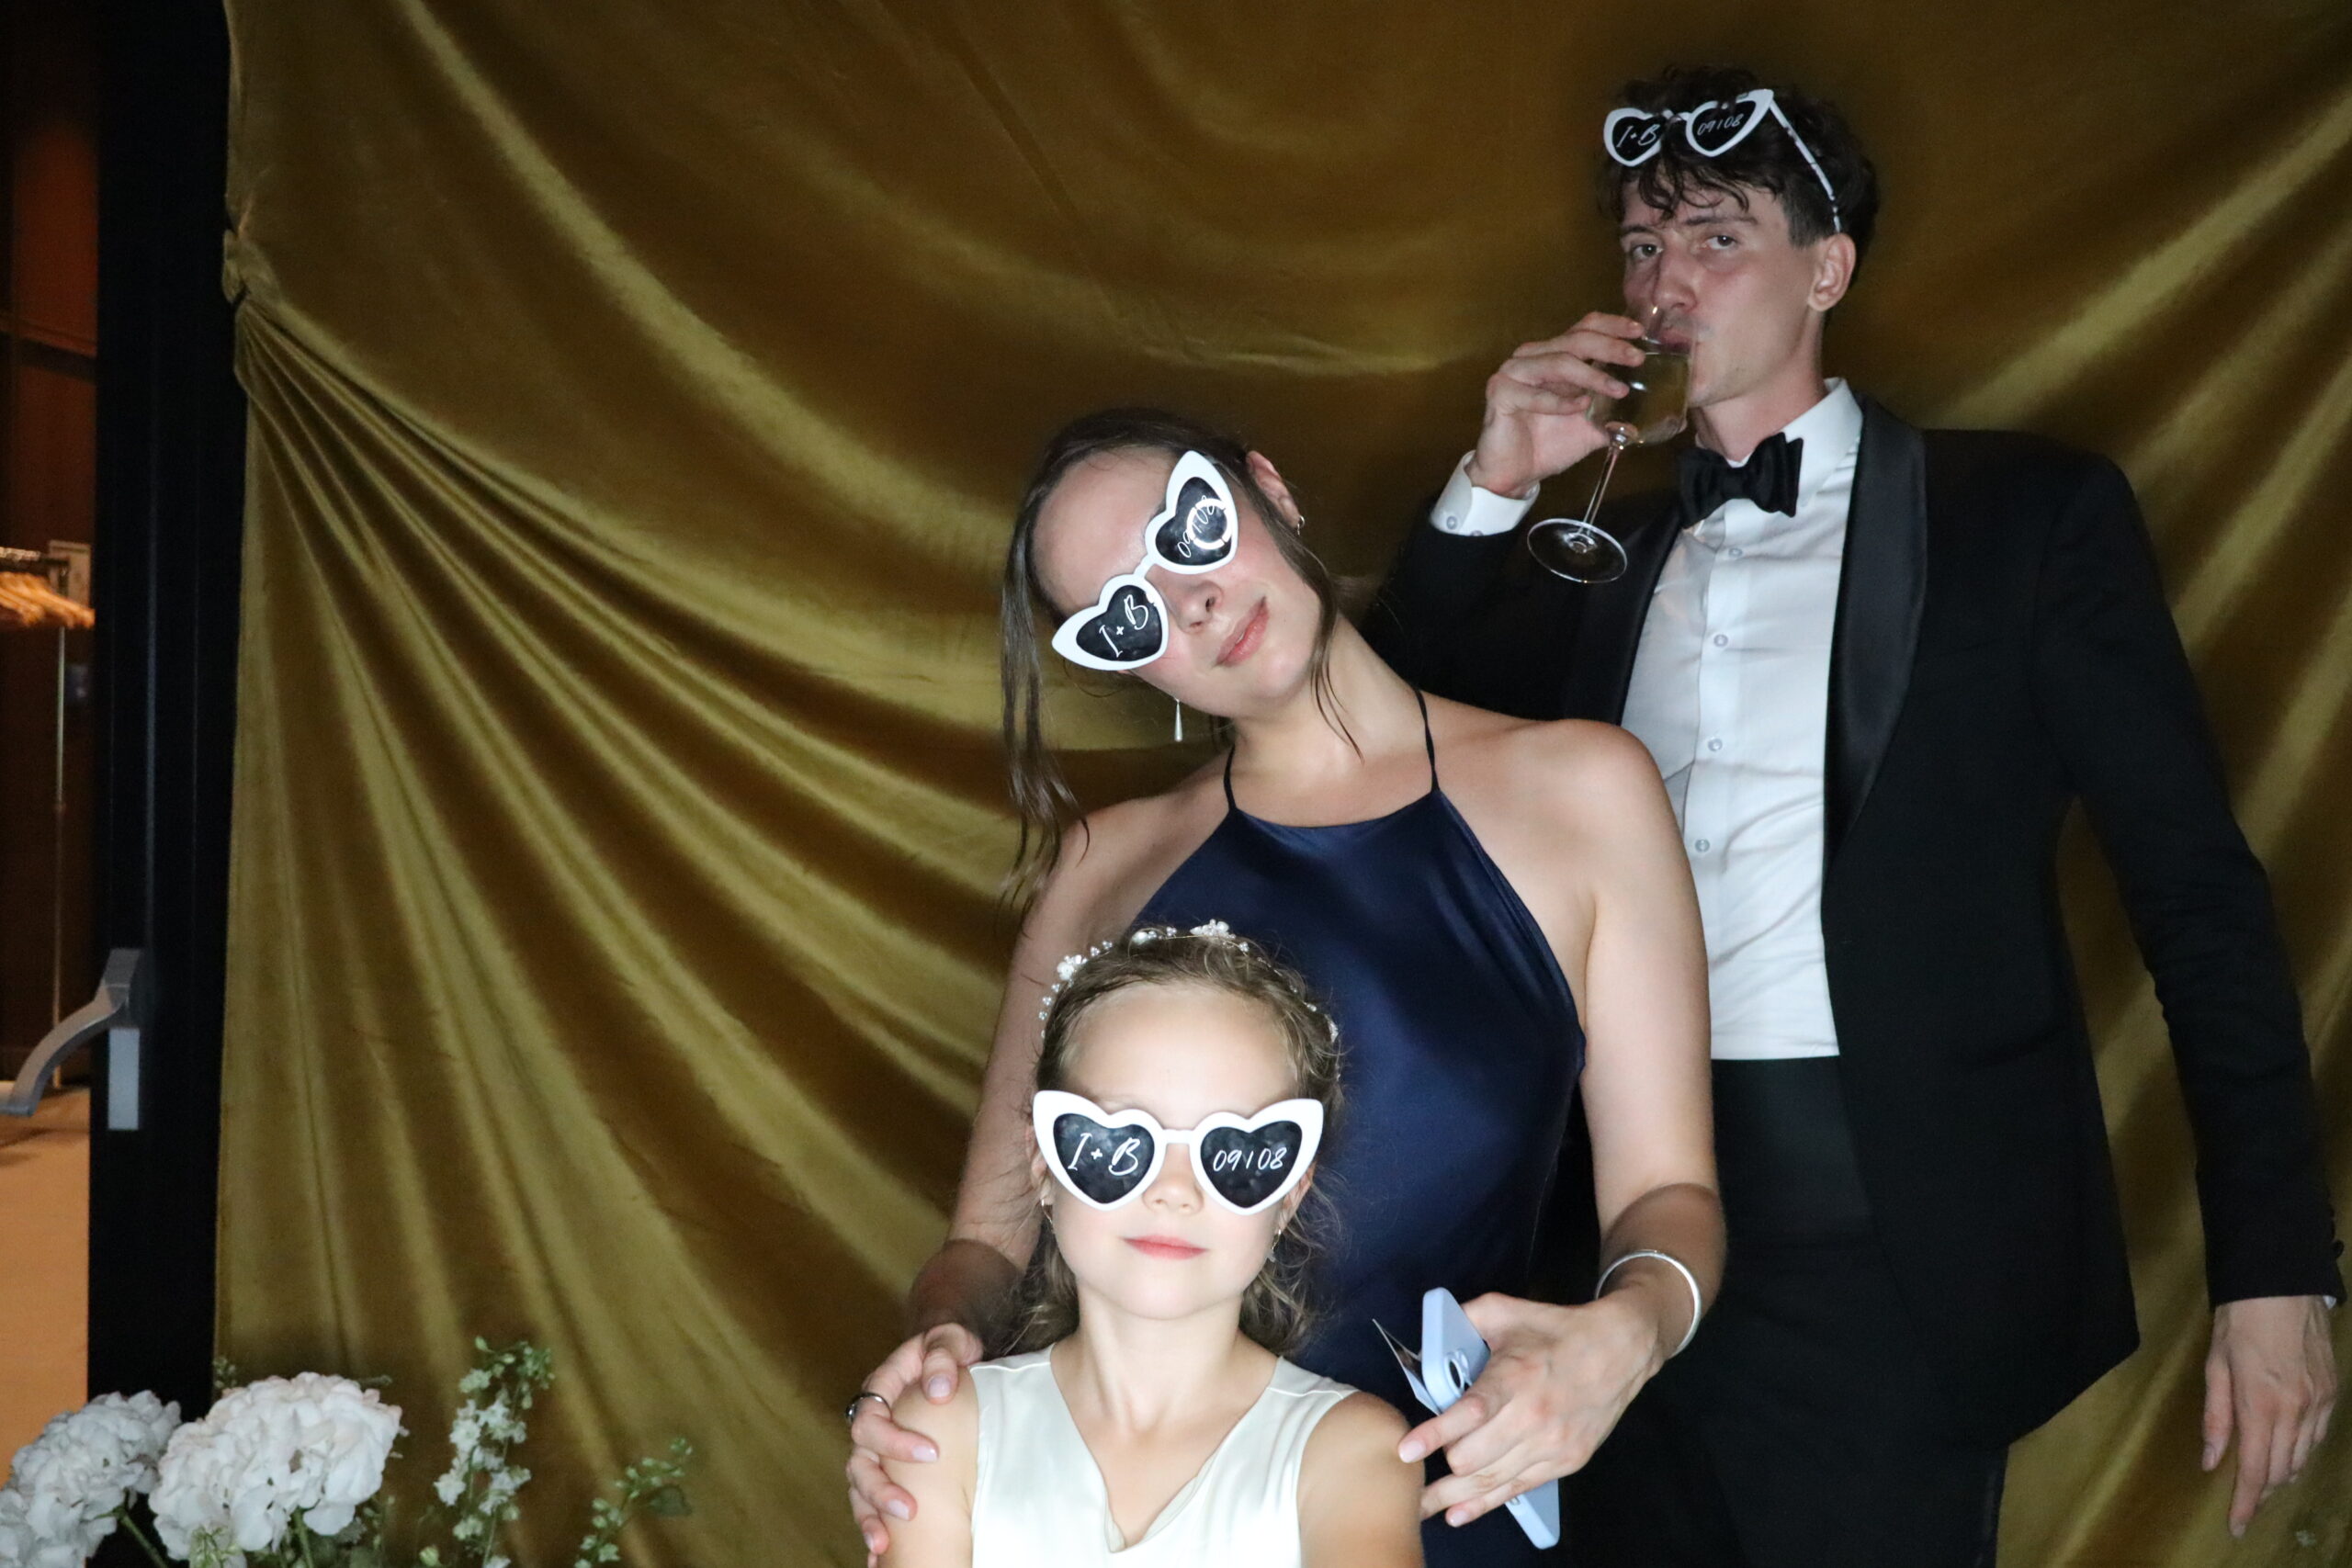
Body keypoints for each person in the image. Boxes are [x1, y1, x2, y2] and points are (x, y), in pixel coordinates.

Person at [1367, 62, 2342, 1568]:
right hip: (1591, 1224)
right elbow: (1367, 751)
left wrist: (2276, 1266)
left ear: (1827, 270)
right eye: (1642, 245)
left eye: (1717, 238)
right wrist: (1490, 485)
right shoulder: (1594, 560)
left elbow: (2198, 895)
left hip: (1897, 1238)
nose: (1666, 282)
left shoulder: (2027, 520)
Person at [847, 408, 1721, 1567]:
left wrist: (1631, 1330)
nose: (1191, 602)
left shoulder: (1581, 790)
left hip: (1454, 1492)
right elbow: (987, 1244)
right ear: (1125, 663)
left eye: (1192, 530)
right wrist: (937, 1352)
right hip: (1130, 1511)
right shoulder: (1105, 863)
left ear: (1269, 488)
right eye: (1127, 612)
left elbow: (1668, 1191)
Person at [876, 924, 1422, 1566]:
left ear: (1290, 1195)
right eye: (1119, 1140)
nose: (1173, 1190)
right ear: (1043, 1163)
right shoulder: (944, 1432)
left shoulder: (1352, 1453)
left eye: (1234, 1150)